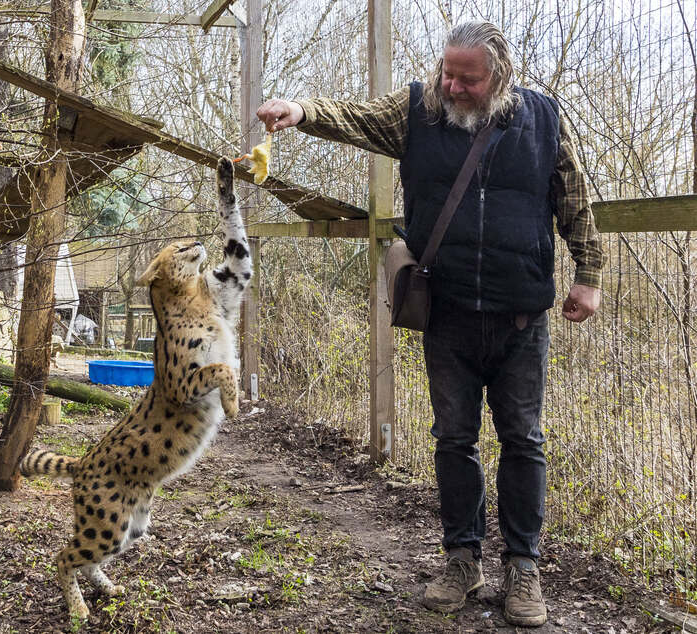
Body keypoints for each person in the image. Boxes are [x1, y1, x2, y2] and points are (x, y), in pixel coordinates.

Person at [257, 20, 603, 628]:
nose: (452, 85)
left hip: (521, 315)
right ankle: (462, 560)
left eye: (466, 78)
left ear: (499, 77)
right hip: (445, 314)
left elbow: (573, 197)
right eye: (447, 72)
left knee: (523, 440)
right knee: (453, 439)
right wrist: (300, 109)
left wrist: (589, 273)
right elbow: (355, 117)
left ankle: (523, 566)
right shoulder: (417, 109)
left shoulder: (544, 119)